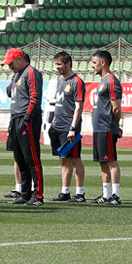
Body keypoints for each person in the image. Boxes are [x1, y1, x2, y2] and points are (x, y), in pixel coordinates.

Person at [2, 48, 44, 206]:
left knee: (32, 158)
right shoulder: (17, 74)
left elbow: (35, 96)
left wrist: (27, 117)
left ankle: (38, 195)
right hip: (15, 118)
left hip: (26, 119)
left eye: (11, 63)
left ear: (19, 59)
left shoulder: (31, 72)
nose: (9, 66)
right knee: (20, 159)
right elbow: (8, 92)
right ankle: (25, 194)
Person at [47, 51, 86, 203]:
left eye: (59, 64)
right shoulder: (60, 81)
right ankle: (65, 192)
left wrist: (73, 128)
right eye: (56, 64)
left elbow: (79, 107)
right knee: (64, 159)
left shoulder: (77, 81)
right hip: (58, 126)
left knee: (75, 159)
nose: (56, 67)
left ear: (68, 64)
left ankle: (80, 193)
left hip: (69, 127)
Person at [89, 50, 123, 205]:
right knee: (103, 162)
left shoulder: (111, 81)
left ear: (103, 63)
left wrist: (115, 125)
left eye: (94, 62)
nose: (92, 66)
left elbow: (116, 108)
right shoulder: (103, 81)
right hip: (99, 127)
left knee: (111, 161)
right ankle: (106, 195)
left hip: (106, 127)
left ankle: (115, 196)